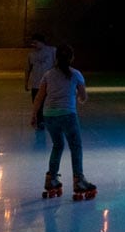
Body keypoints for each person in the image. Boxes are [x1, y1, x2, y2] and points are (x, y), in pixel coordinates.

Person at [31, 43, 97, 200]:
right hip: (67, 115)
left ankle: (51, 178)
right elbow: (83, 97)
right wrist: (76, 95)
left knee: (57, 145)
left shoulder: (48, 75)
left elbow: (39, 96)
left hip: (49, 115)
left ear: (56, 58)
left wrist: (34, 114)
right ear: (72, 58)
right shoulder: (76, 74)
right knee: (75, 146)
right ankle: (79, 180)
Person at [25, 33, 56, 130]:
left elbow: (57, 65)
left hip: (49, 83)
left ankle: (49, 120)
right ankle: (40, 121)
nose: (33, 45)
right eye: (32, 43)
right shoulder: (31, 55)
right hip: (36, 83)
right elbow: (27, 69)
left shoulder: (52, 51)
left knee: (49, 103)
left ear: (42, 42)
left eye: (35, 42)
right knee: (36, 103)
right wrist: (26, 82)